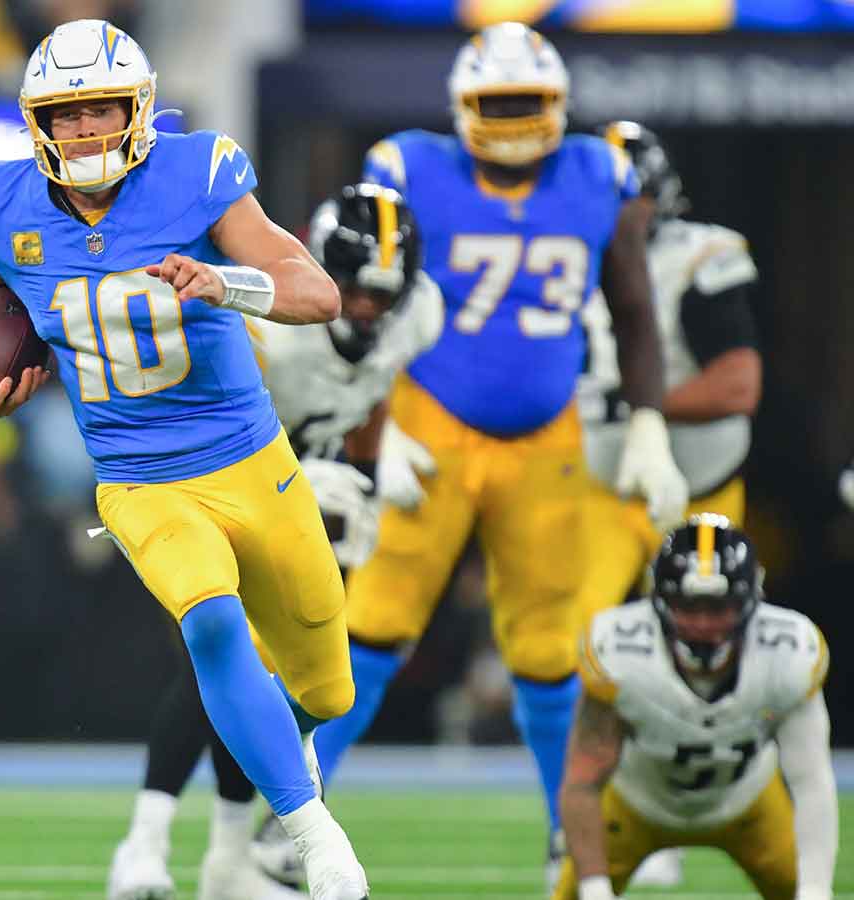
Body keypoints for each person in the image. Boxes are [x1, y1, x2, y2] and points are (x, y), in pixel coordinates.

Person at [0, 18, 368, 900]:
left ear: (138, 108)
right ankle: (312, 832)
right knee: (211, 621)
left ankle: (252, 799)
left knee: (328, 691)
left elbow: (319, 292)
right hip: (139, 476)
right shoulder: (2, 202)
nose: (85, 130)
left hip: (251, 459)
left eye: (101, 107)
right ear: (38, 124)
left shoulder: (196, 176)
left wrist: (229, 283)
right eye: (65, 115)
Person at [306, 21, 689, 887]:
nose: (514, 121)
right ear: (461, 108)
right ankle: (295, 825)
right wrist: (376, 420)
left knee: (553, 649)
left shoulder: (598, 175)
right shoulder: (410, 168)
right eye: (497, 104)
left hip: (546, 433)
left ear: (559, 108)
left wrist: (649, 424)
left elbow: (632, 308)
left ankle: (572, 829)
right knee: (368, 627)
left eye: (529, 104)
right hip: (429, 422)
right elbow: (348, 290)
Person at [106, 183, 442, 900]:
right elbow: (207, 414)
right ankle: (145, 841)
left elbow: (373, 386)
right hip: (217, 486)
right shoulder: (273, 328)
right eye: (354, 291)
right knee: (214, 649)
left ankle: (228, 860)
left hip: (310, 500)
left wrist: (375, 457)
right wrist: (302, 471)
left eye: (385, 297)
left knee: (295, 684)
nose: (368, 310)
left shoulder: (421, 316)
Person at [574, 119, 763, 887]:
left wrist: (637, 402)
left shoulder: (699, 258)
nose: (616, 216)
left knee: (702, 651)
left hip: (697, 493)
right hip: (594, 487)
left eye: (630, 200)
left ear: (659, 200)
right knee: (579, 652)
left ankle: (693, 813)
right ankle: (581, 820)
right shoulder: (552, 256)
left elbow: (738, 385)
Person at [555, 514, 837, 900]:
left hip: (748, 803)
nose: (704, 623)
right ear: (659, 600)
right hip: (637, 806)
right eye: (688, 606)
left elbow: (812, 783)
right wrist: (595, 890)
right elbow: (582, 782)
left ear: (750, 600)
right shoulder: (619, 652)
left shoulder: (788, 653)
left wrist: (815, 891)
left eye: (718, 607)